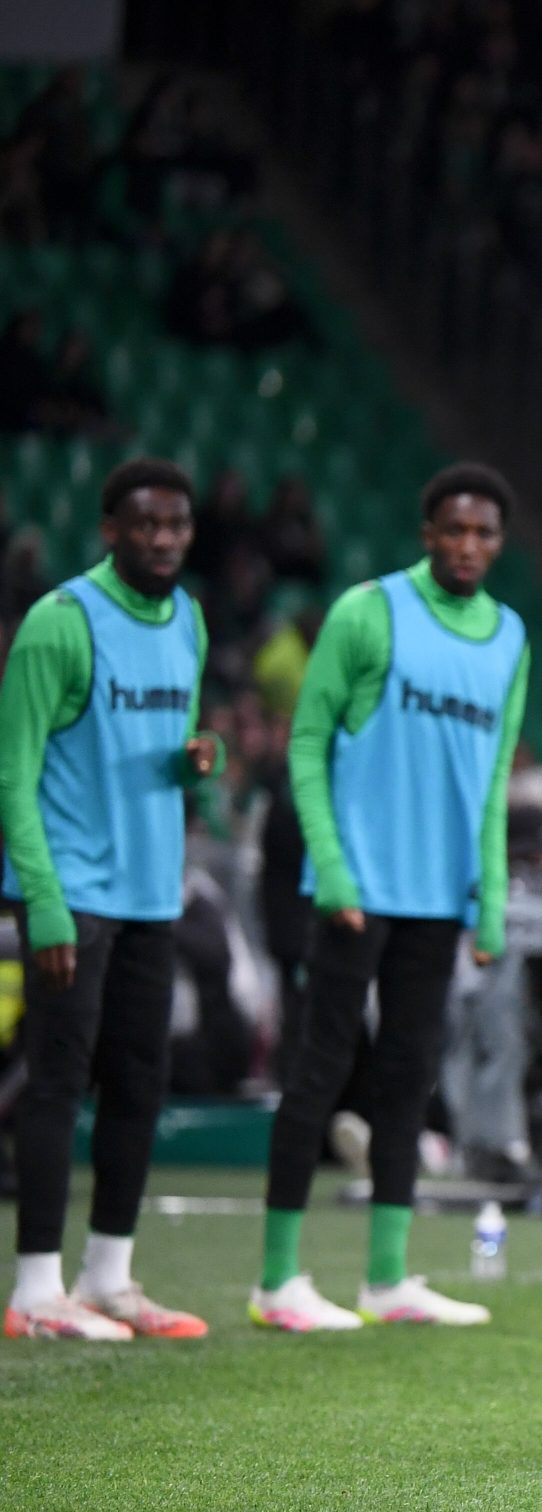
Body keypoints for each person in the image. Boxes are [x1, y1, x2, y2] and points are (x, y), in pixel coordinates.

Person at [251, 464, 530, 1332]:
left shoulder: (509, 635)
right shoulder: (366, 610)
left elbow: (490, 787)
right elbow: (305, 744)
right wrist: (330, 867)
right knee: (322, 1070)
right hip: (355, 888)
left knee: (410, 1078)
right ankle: (276, 1282)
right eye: (455, 530)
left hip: (440, 897)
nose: (469, 546)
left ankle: (386, 1278)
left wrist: (488, 899)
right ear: (427, 532)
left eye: (485, 533)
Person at [0, 459, 219, 1340]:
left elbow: (168, 745)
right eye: (144, 525)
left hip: (150, 895)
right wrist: (42, 904)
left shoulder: (189, 618)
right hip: (72, 894)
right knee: (57, 1081)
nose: (162, 539)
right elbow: (14, 774)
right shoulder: (61, 621)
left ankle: (109, 1277)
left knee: (139, 1083)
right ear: (109, 529)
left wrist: (199, 757)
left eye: (176, 525)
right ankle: (33, 1289)